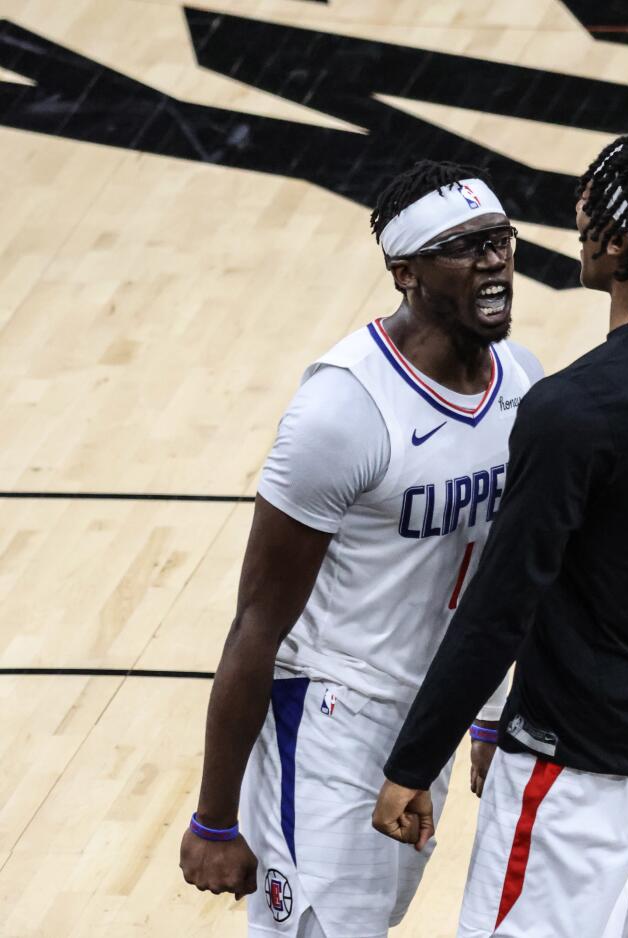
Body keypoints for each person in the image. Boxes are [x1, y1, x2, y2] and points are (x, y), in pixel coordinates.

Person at [370, 124, 628, 938]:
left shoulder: (573, 409)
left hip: (584, 767)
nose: (575, 219)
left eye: (591, 210)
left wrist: (414, 763)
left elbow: (500, 607)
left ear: (618, 245)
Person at [178, 160, 543, 938]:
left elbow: (502, 572)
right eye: (462, 246)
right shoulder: (342, 409)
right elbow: (256, 624)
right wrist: (214, 818)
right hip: (335, 716)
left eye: (498, 237)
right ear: (407, 274)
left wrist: (484, 710)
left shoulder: (520, 380)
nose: (492, 258)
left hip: (430, 712)